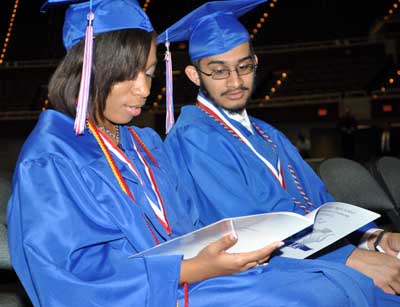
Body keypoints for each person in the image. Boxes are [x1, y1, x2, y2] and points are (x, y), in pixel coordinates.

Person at [8, 0, 397, 306]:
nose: (144, 90)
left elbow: (192, 227)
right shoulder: (50, 160)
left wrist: (369, 239)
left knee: (333, 285)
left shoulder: (144, 144)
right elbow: (69, 281)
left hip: (197, 277)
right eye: (128, 75)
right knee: (311, 294)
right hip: (147, 295)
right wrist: (195, 267)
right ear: (89, 69)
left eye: (147, 73)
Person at [160, 0, 400, 298]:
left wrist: (372, 239)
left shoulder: (267, 133)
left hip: (307, 258)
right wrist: (349, 258)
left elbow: (319, 205)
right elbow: (246, 229)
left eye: (244, 66)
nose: (235, 81)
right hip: (257, 269)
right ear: (195, 76)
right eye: (219, 71)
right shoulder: (193, 139)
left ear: (255, 62)